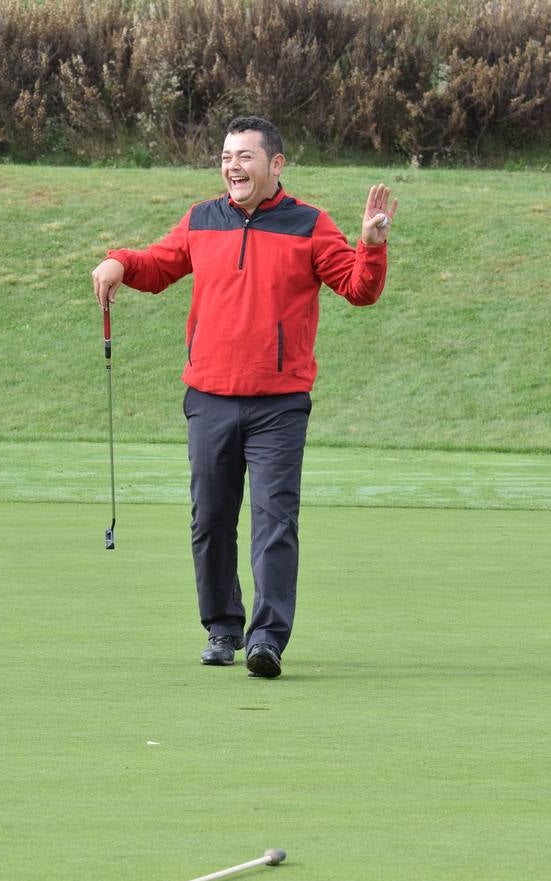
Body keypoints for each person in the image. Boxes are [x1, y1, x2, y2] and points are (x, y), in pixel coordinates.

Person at [91, 116, 397, 679]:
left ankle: (267, 640)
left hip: (279, 404)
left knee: (274, 521)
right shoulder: (202, 219)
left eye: (245, 156)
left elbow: (358, 289)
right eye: (227, 156)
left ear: (275, 165)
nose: (233, 166)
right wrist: (119, 261)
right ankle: (222, 628)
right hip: (208, 397)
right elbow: (159, 265)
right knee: (209, 519)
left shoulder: (310, 225)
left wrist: (371, 247)